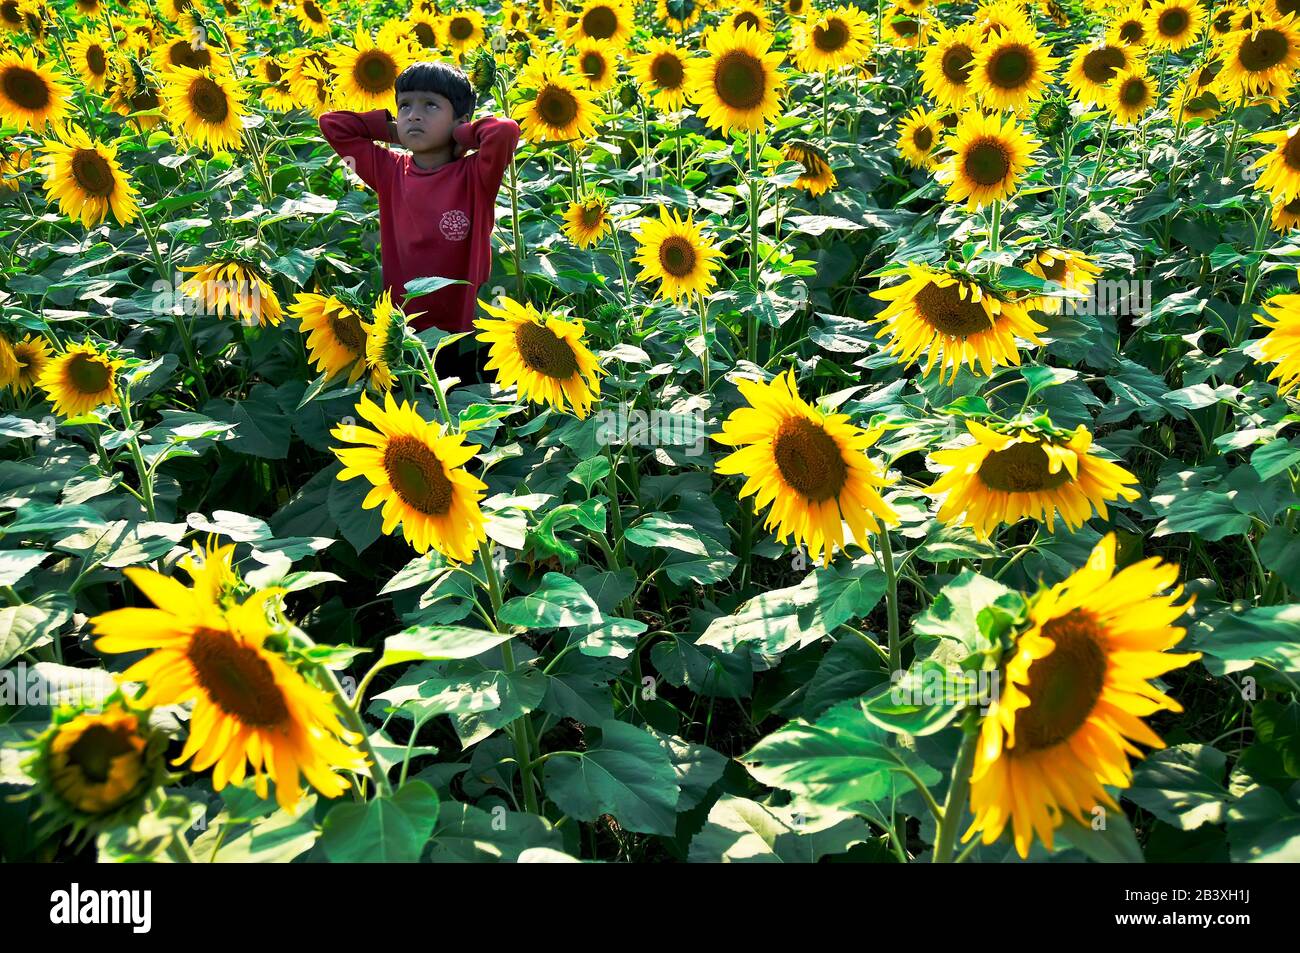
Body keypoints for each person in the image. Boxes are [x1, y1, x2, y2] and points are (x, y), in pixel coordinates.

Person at [319, 61, 521, 385]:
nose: (414, 114)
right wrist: (393, 130)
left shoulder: (475, 177)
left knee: (467, 413)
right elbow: (332, 124)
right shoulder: (388, 171)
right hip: (406, 331)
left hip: (465, 331)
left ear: (460, 120)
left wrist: (462, 135)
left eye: (430, 105)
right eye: (405, 105)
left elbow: (505, 131)